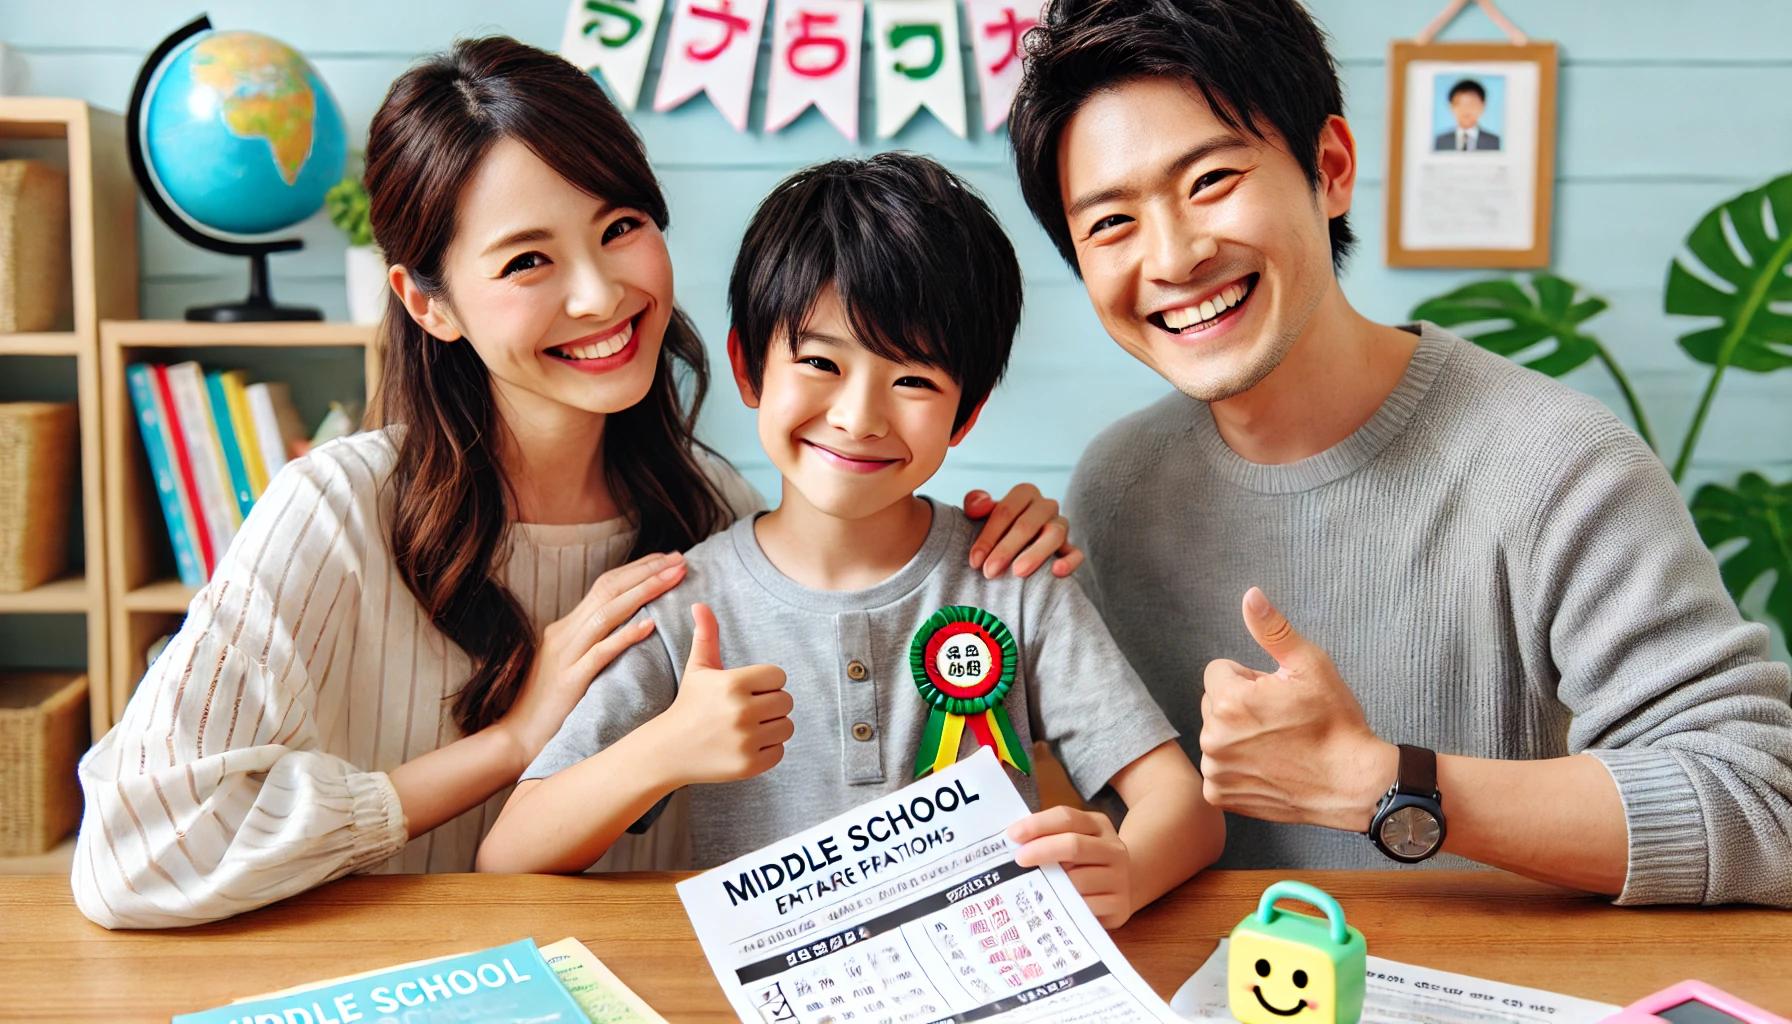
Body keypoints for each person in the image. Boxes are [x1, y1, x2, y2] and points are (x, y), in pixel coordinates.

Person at [72, 38, 1082, 930]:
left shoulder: (714, 517)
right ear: (427, 302)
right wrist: (510, 741)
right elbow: (131, 858)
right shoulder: (334, 512)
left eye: (620, 227)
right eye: (526, 260)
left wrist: (984, 543)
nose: (602, 293)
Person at [1008, 0, 1792, 905]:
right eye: (1110, 223)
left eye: (1211, 179)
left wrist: (1378, 783)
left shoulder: (1559, 464)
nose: (1174, 257)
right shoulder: (1116, 488)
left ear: (1329, 168)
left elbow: (1764, 804)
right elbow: (1122, 806)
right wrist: (978, 574)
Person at [476, 154, 1224, 928]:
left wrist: (1127, 871)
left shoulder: (1015, 579)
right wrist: (666, 748)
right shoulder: (685, 608)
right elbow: (509, 853)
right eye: (820, 362)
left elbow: (1187, 810)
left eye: (913, 381)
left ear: (964, 415)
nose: (859, 417)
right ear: (749, 368)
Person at [1433, 79, 1500, 151]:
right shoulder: (1440, 142)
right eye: (1461, 104)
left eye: (1471, 104)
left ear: (1482, 106)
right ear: (1451, 107)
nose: (1466, 110)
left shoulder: (1495, 142)